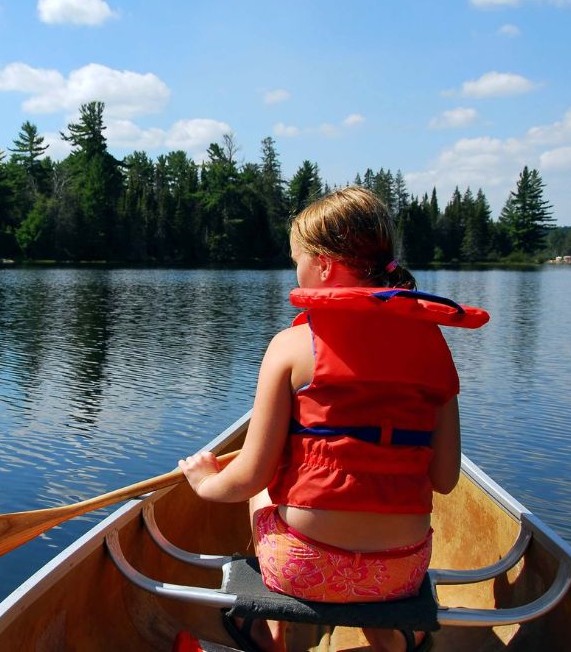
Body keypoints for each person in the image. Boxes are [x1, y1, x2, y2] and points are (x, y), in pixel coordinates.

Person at [178, 187, 488, 652]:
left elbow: (250, 477)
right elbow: (444, 479)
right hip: (399, 573)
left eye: (297, 260)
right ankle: (387, 636)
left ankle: (273, 629)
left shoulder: (290, 346)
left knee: (268, 483)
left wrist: (204, 482)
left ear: (323, 266)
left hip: (303, 568)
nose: (296, 271)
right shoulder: (435, 345)